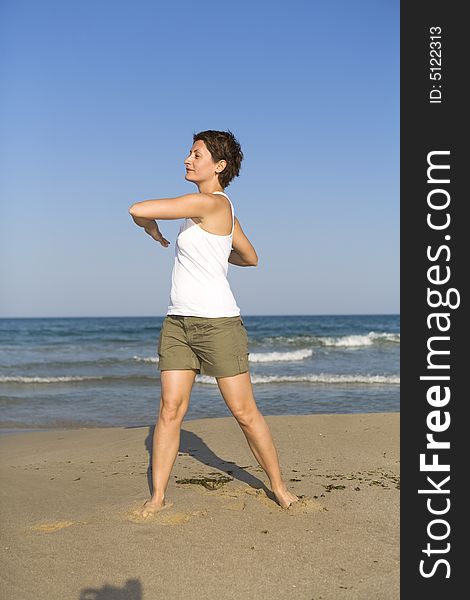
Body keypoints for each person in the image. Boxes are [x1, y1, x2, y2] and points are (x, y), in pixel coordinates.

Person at [129, 129, 299, 515]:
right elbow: (250, 257)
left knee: (243, 411)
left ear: (218, 165)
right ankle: (157, 497)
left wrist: (151, 227)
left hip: (218, 324)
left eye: (196, 154)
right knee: (170, 409)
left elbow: (137, 208)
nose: (187, 160)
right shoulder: (211, 211)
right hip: (178, 322)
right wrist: (219, 252)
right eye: (188, 153)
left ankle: (279, 487)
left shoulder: (211, 204)